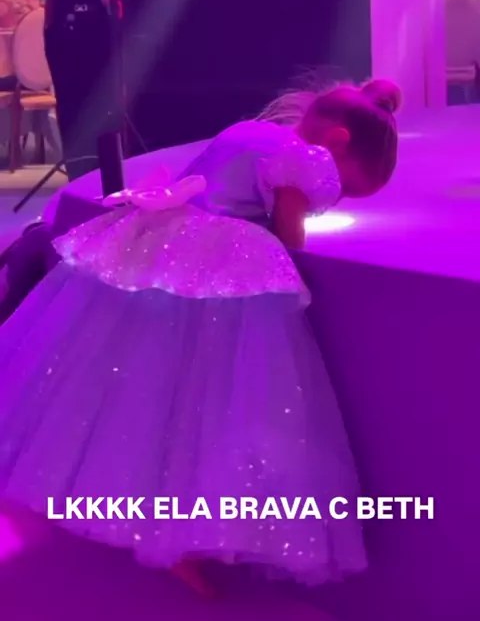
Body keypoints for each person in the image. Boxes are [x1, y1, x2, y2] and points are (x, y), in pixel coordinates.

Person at [0, 78, 400, 596]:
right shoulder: (303, 157)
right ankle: (177, 535)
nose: (336, 193)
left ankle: (129, 511)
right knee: (207, 403)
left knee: (136, 390)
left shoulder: (250, 131)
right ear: (338, 142)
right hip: (214, 263)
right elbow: (290, 232)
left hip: (160, 241)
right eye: (344, 185)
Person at [44, 0, 143, 180]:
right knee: (70, 107)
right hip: (66, 36)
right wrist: (50, 34)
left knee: (108, 106)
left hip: (108, 33)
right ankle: (77, 172)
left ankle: (112, 173)